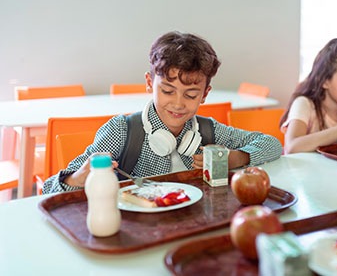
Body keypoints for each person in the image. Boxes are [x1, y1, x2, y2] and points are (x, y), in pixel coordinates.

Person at [43, 31, 282, 194]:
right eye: (168, 91)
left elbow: (272, 144)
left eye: (190, 95)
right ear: (149, 83)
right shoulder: (122, 131)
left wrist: (237, 158)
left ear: (205, 94)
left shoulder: (208, 130)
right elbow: (47, 189)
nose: (178, 104)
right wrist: (75, 180)